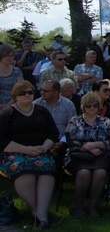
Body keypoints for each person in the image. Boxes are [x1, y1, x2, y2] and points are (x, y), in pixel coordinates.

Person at [0, 81, 58, 227]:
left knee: (47, 169)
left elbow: (53, 133)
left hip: (40, 151)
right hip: (16, 152)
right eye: (22, 93)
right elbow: (1, 140)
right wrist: (26, 150)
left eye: (30, 92)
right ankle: (36, 211)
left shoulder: (41, 111)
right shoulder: (7, 114)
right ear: (15, 96)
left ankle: (42, 215)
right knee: (24, 170)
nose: (27, 95)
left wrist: (44, 147)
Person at [64, 91, 110, 218]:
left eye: (94, 105)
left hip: (100, 156)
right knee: (84, 173)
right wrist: (87, 148)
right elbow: (70, 140)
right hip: (78, 156)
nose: (92, 108)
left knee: (100, 173)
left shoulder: (106, 121)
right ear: (83, 107)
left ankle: (93, 206)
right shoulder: (75, 121)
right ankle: (79, 206)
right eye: (88, 105)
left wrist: (97, 145)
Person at [0, 44, 23, 110]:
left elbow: (20, 89)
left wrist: (9, 105)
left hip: (15, 105)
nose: (11, 58)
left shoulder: (17, 71)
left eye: (12, 55)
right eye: (7, 56)